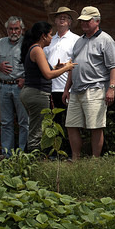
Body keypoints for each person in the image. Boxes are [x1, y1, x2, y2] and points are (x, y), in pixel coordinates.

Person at [63, 6, 115, 161]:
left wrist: (112, 88)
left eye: (87, 21)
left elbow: (114, 66)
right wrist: (66, 88)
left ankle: (95, 160)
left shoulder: (106, 40)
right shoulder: (79, 41)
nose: (84, 24)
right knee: (71, 125)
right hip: (76, 89)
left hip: (96, 88)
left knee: (95, 126)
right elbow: (72, 66)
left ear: (97, 21)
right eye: (82, 21)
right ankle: (75, 158)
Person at [19, 21, 76, 152]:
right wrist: (67, 68)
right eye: (50, 34)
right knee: (37, 129)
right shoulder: (38, 50)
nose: (52, 37)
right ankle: (33, 160)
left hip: (30, 92)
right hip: (36, 94)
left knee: (35, 126)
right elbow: (48, 75)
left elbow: (40, 70)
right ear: (43, 36)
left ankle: (32, 157)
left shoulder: (34, 49)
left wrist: (57, 67)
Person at [0, 16, 29, 158]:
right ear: (6, 29)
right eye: (11, 29)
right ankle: (7, 153)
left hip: (20, 87)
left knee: (24, 121)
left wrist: (25, 78)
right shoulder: (0, 43)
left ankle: (22, 153)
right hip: (4, 86)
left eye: (16, 28)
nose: (14, 31)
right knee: (6, 122)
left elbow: (34, 65)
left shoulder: (27, 44)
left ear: (21, 29)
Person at [44, 7, 81, 138]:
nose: (62, 18)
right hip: (51, 86)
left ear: (70, 22)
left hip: (69, 86)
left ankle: (71, 151)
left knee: (71, 121)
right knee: (54, 120)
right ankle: (55, 152)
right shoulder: (49, 40)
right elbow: (43, 61)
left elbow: (78, 62)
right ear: (55, 20)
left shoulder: (77, 39)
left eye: (66, 17)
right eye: (59, 16)